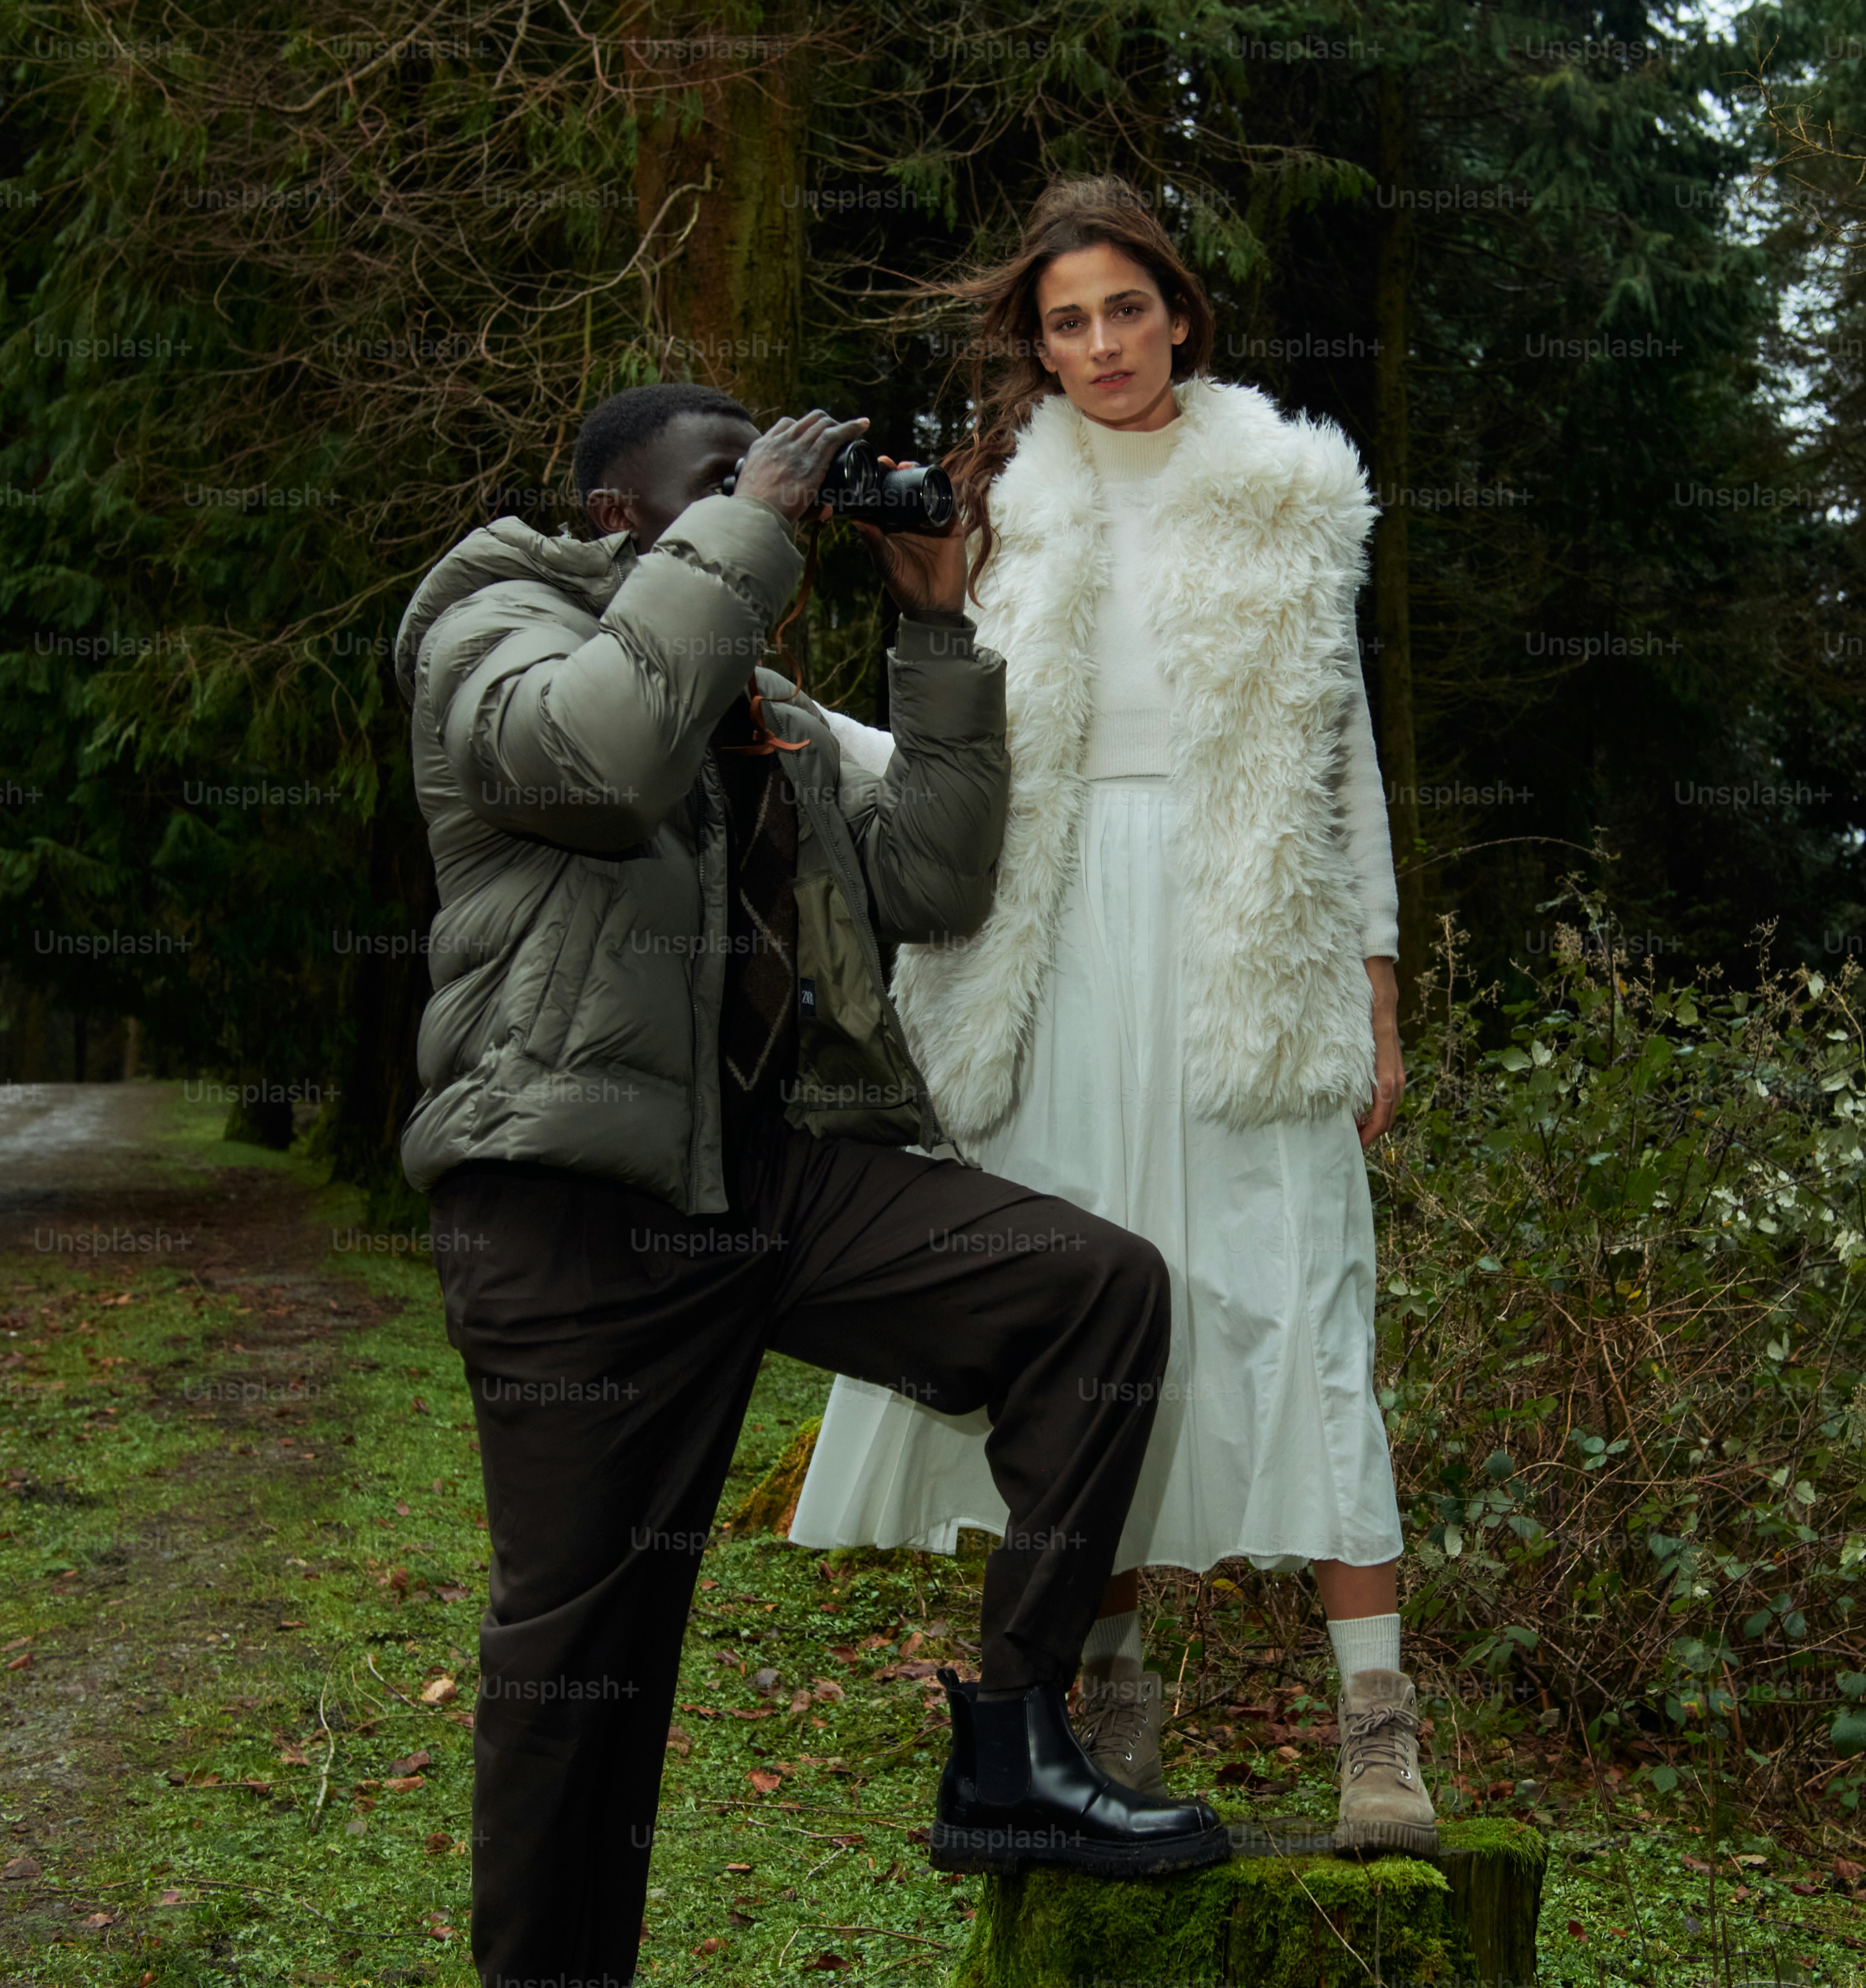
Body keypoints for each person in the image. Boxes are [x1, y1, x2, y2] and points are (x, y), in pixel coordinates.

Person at [391, 382, 1229, 1988]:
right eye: (721, 482)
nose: (772, 501)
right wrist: (759, 523)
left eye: (773, 482)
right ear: (618, 514)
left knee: (1091, 1288)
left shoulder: (751, 689)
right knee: (587, 1675)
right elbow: (592, 764)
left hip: (760, 1190)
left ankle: (1012, 1746)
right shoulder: (488, 621)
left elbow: (930, 873)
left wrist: (933, 630)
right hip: (568, 1208)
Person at [789, 179, 1435, 1858]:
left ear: (1178, 312)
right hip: (1052, 938)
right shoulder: (999, 503)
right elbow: (941, 751)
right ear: (1038, 343)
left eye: (1124, 312)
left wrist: (1372, 976)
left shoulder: (1292, 489)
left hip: (1245, 937)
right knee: (1090, 1308)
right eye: (1066, 323)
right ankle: (1108, 1713)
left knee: (1292, 1300)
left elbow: (1338, 752)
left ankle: (1379, 1739)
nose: (1100, 348)